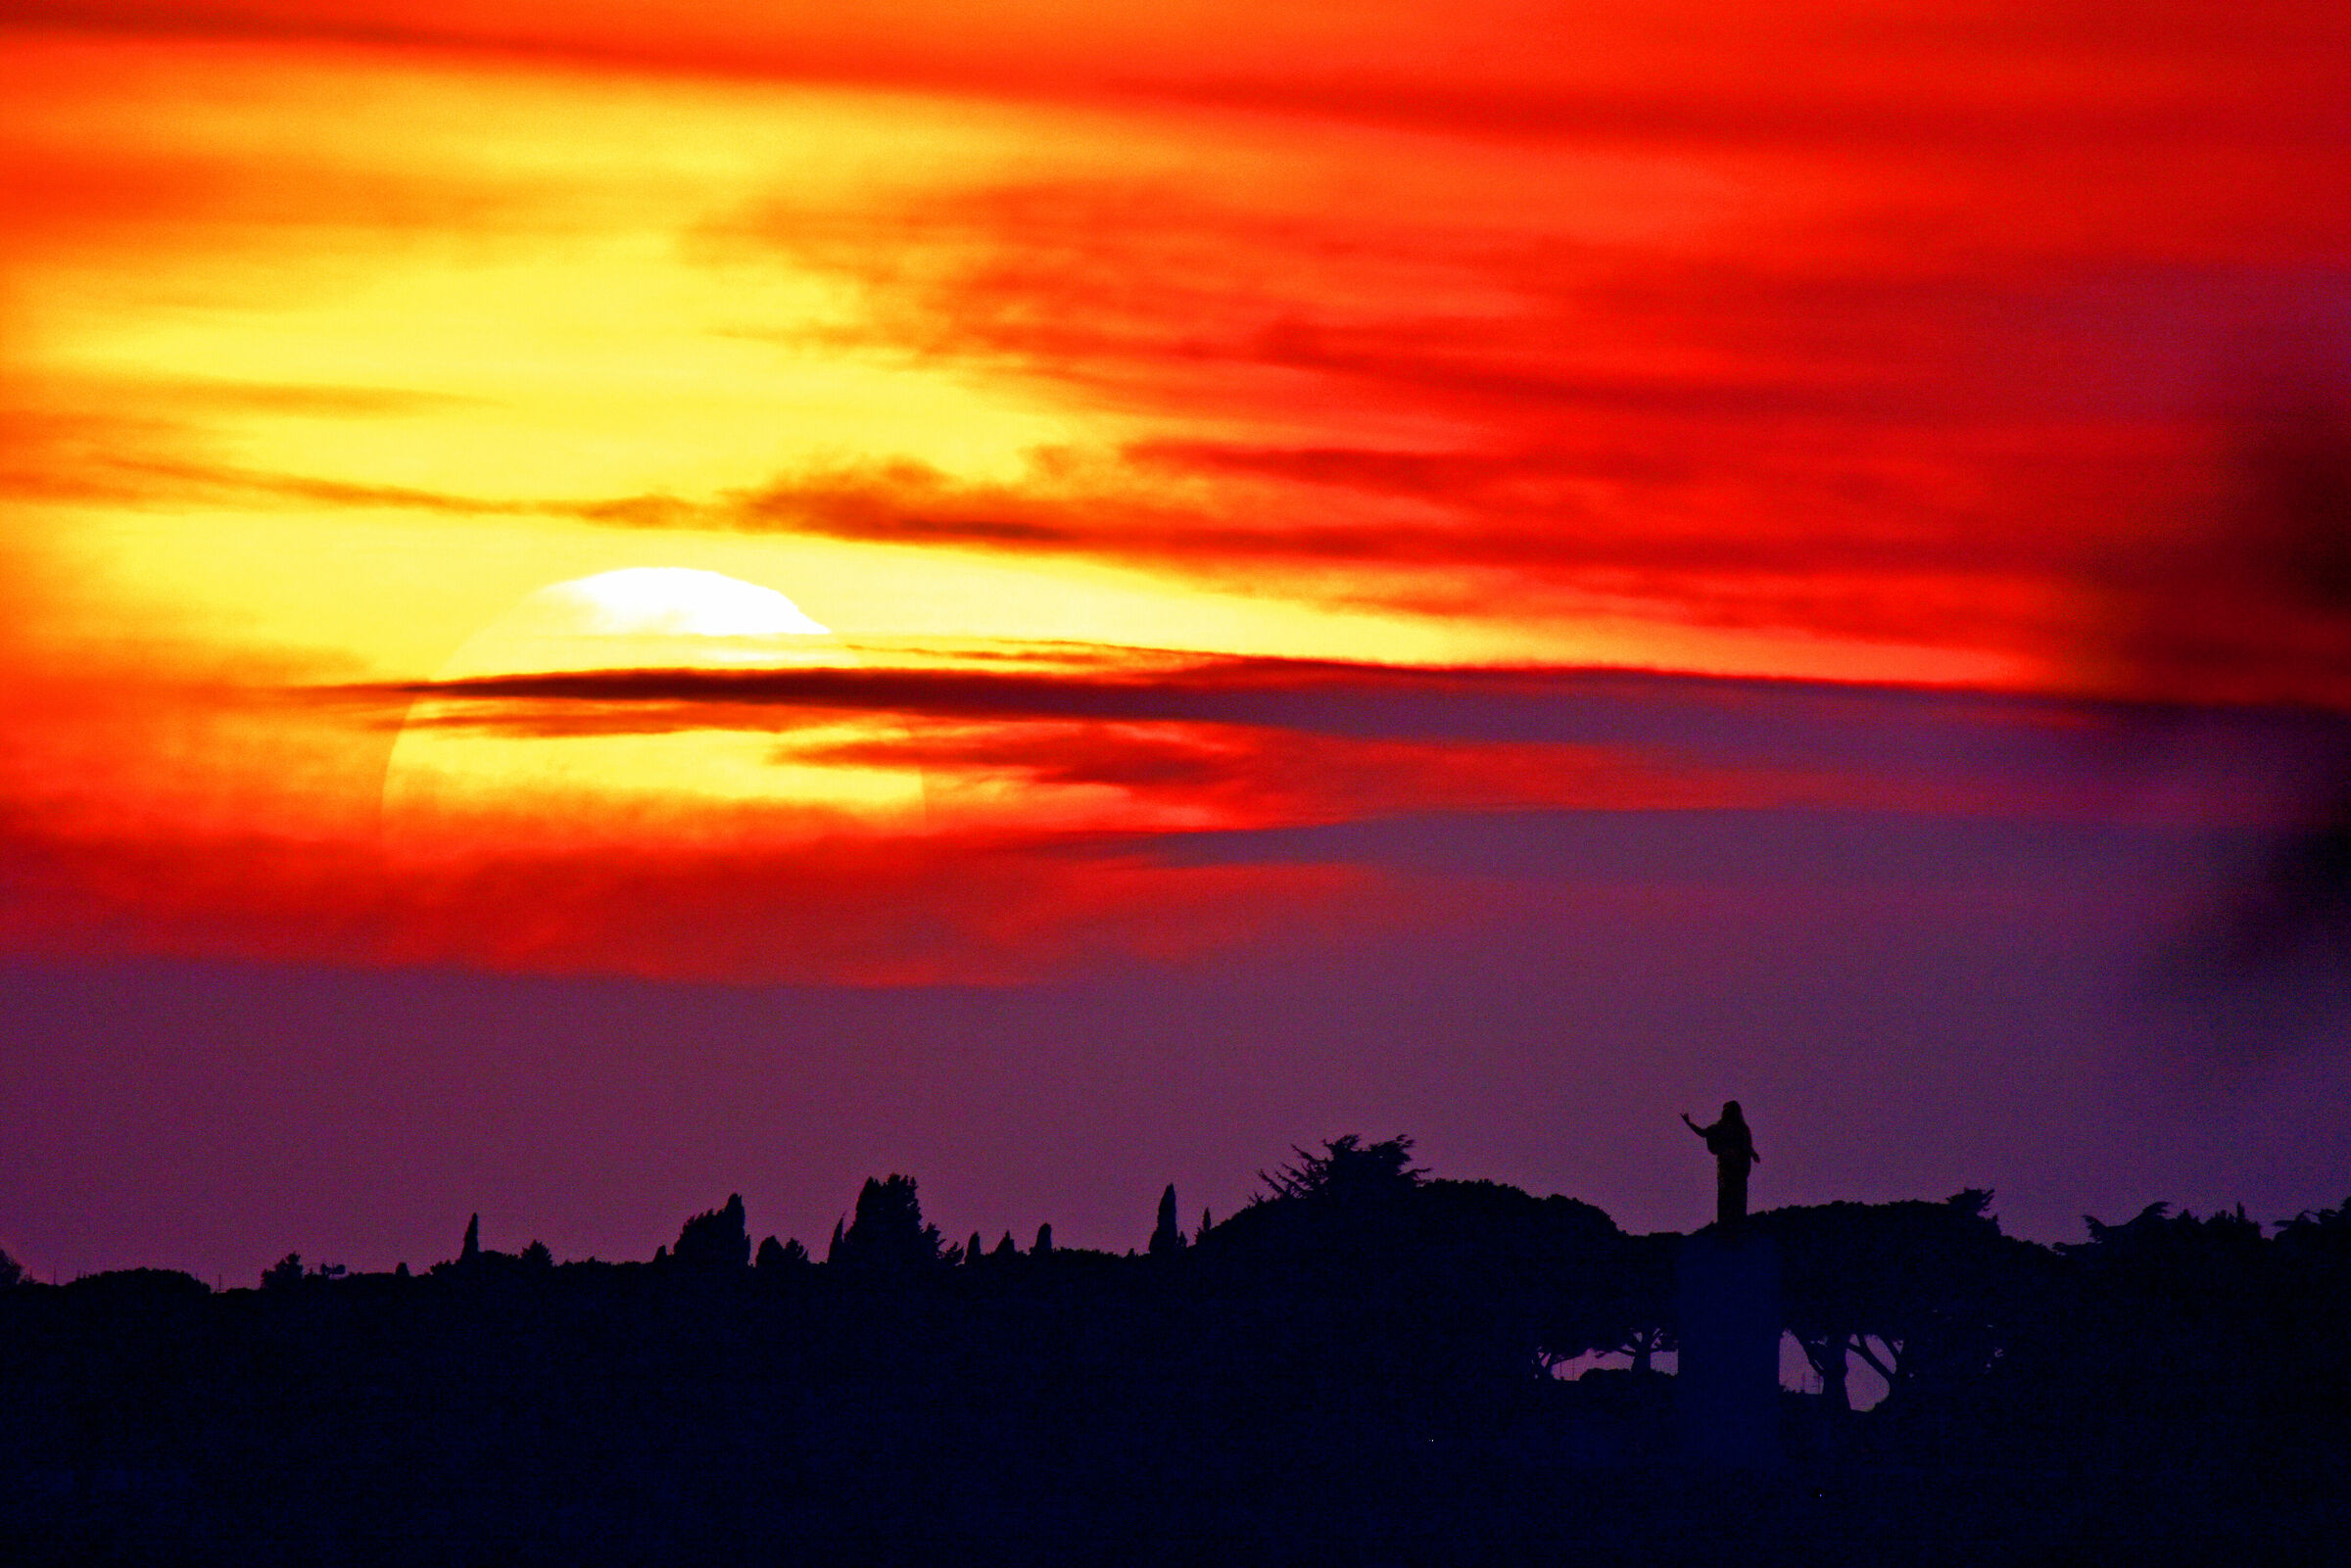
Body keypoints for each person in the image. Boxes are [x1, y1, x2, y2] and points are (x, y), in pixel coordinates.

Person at [1681, 1102, 1760, 1228]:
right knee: (1726, 1195)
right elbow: (1704, 1133)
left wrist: (1752, 1154)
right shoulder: (1722, 1127)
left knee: (1736, 1195)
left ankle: (1737, 1223)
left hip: (1737, 1168)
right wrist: (1689, 1124)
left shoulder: (1740, 1129)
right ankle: (1726, 1224)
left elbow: (1746, 1145)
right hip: (1726, 1168)